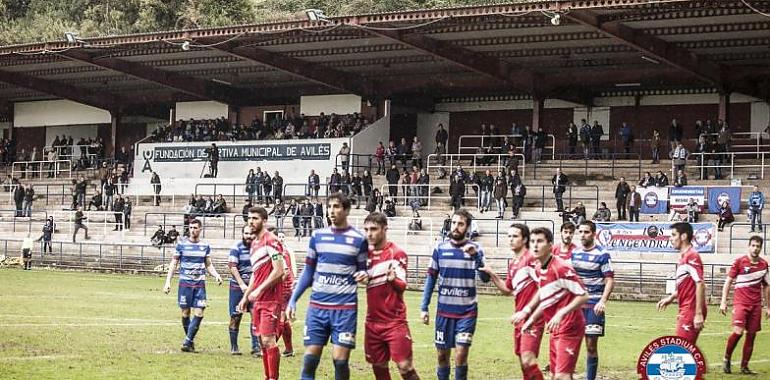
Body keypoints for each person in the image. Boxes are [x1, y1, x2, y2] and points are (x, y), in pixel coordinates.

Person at [287, 193, 369, 380]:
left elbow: (364, 271)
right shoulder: (317, 236)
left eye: (337, 206)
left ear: (346, 210)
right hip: (317, 307)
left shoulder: (358, 239)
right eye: (330, 206)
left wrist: (365, 276)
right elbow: (308, 272)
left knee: (340, 362)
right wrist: (293, 300)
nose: (332, 211)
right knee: (309, 361)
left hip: (345, 309)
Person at [421, 209, 490, 380]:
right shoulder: (440, 248)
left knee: (460, 354)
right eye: (454, 223)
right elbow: (431, 278)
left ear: (467, 227)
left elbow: (485, 278)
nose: (456, 227)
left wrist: (477, 258)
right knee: (442, 356)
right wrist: (424, 307)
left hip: (467, 312)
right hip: (444, 312)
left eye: (460, 224)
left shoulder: (477, 249)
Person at [517, 227, 589, 380]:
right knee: (556, 375)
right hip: (556, 327)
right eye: (533, 241)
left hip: (570, 326)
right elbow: (546, 299)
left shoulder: (561, 268)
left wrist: (561, 313)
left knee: (562, 376)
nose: (535, 245)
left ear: (550, 245)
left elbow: (583, 296)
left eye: (540, 241)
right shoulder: (538, 268)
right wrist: (530, 318)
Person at [480, 224, 544, 380]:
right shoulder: (514, 263)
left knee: (528, 359)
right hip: (519, 318)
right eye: (508, 236)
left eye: (515, 236)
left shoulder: (531, 260)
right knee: (523, 362)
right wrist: (492, 274)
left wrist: (527, 310)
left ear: (525, 239)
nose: (510, 239)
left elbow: (545, 287)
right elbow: (507, 290)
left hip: (533, 318)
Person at [363, 213, 420, 380]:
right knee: (379, 367)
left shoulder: (397, 253)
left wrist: (393, 280)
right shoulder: (364, 256)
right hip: (372, 322)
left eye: (373, 229)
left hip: (394, 322)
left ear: (385, 229)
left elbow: (402, 286)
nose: (369, 234)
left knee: (405, 367)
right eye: (366, 230)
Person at [238, 207, 286, 378]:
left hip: (271, 299)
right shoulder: (254, 244)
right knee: (261, 341)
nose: (251, 221)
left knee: (268, 340)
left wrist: (259, 289)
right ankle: (268, 376)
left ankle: (273, 378)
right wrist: (245, 297)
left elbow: (279, 271)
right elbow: (255, 274)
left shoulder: (271, 241)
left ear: (264, 221)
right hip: (258, 300)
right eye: (249, 218)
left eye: (255, 218)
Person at [162, 219, 223, 352]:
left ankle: (187, 341)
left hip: (199, 284)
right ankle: (189, 341)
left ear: (200, 229)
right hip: (185, 284)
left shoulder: (205, 246)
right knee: (185, 313)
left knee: (200, 312)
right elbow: (173, 264)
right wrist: (167, 282)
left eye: (195, 227)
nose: (193, 230)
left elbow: (208, 264)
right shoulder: (181, 245)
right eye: (190, 227)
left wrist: (216, 274)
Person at [719, 236, 770, 375]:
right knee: (738, 332)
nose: (755, 248)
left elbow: (766, 287)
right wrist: (723, 302)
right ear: (749, 246)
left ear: (761, 248)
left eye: (758, 246)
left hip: (756, 305)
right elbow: (728, 282)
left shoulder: (764, 265)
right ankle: (726, 358)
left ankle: (744, 367)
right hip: (740, 303)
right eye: (753, 245)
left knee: (752, 335)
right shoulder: (739, 262)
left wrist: (768, 306)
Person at [571, 221, 614, 380]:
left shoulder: (602, 254)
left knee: (590, 345)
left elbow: (609, 279)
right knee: (571, 343)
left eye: (586, 232)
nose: (582, 235)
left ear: (594, 234)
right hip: (576, 305)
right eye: (580, 232)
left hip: (594, 305)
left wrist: (603, 301)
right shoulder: (574, 253)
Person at [657, 222, 707, 344]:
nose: (671, 239)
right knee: (685, 350)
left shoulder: (692, 256)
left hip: (691, 309)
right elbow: (686, 284)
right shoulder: (684, 257)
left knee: (682, 350)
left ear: (683, 236)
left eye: (674, 235)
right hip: (686, 307)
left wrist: (698, 313)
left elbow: (700, 283)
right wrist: (671, 297)